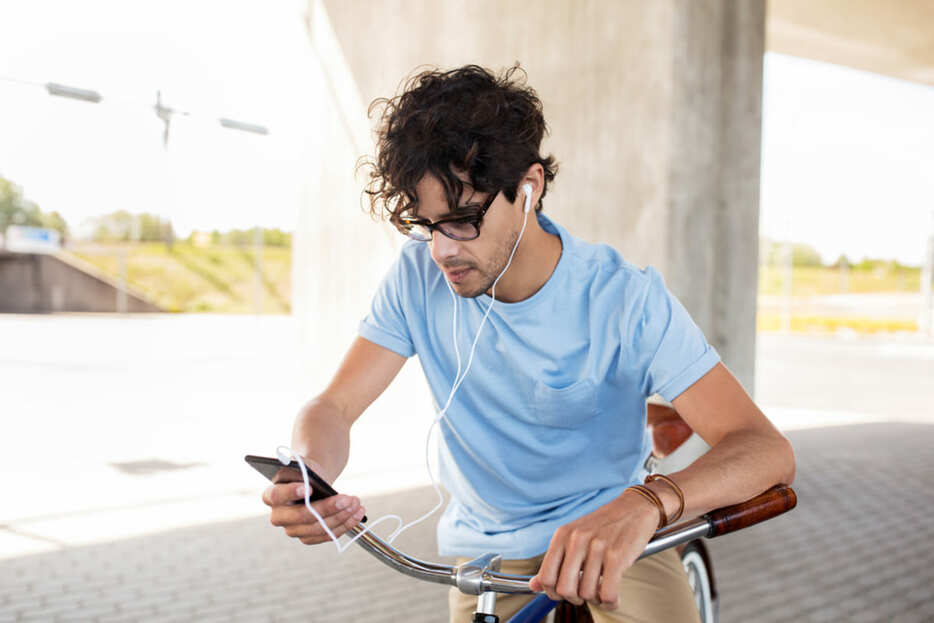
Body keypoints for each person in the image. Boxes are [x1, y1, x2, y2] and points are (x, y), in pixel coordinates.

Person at [262, 64, 795, 622]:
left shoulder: (624, 298)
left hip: (614, 533)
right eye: (426, 224)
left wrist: (647, 504)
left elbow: (766, 449)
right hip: (490, 557)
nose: (442, 251)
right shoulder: (415, 277)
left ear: (528, 188)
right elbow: (334, 405)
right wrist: (309, 471)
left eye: (463, 219)